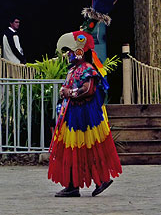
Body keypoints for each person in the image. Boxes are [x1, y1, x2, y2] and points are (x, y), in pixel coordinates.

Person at [49, 31, 120, 198]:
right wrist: (64, 92)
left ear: (79, 52)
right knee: (72, 151)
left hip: (85, 119)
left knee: (87, 149)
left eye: (71, 51)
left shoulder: (87, 68)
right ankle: (73, 185)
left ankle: (100, 179)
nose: (68, 54)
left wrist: (69, 92)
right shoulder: (73, 69)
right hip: (72, 116)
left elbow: (88, 90)